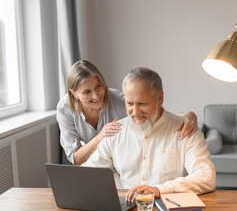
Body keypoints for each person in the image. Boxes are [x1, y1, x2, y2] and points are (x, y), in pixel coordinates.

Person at [82, 67, 216, 202]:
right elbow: (89, 173)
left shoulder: (186, 130)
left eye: (142, 103)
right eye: (129, 103)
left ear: (160, 98)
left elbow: (206, 176)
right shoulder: (115, 132)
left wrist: (158, 190)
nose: (135, 112)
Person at [57, 60, 199, 165]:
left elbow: (154, 113)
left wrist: (188, 115)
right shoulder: (65, 110)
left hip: (118, 163)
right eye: (87, 92)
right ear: (74, 94)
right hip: (93, 165)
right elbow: (75, 159)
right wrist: (101, 136)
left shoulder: (119, 100)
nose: (96, 96)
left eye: (99, 86)